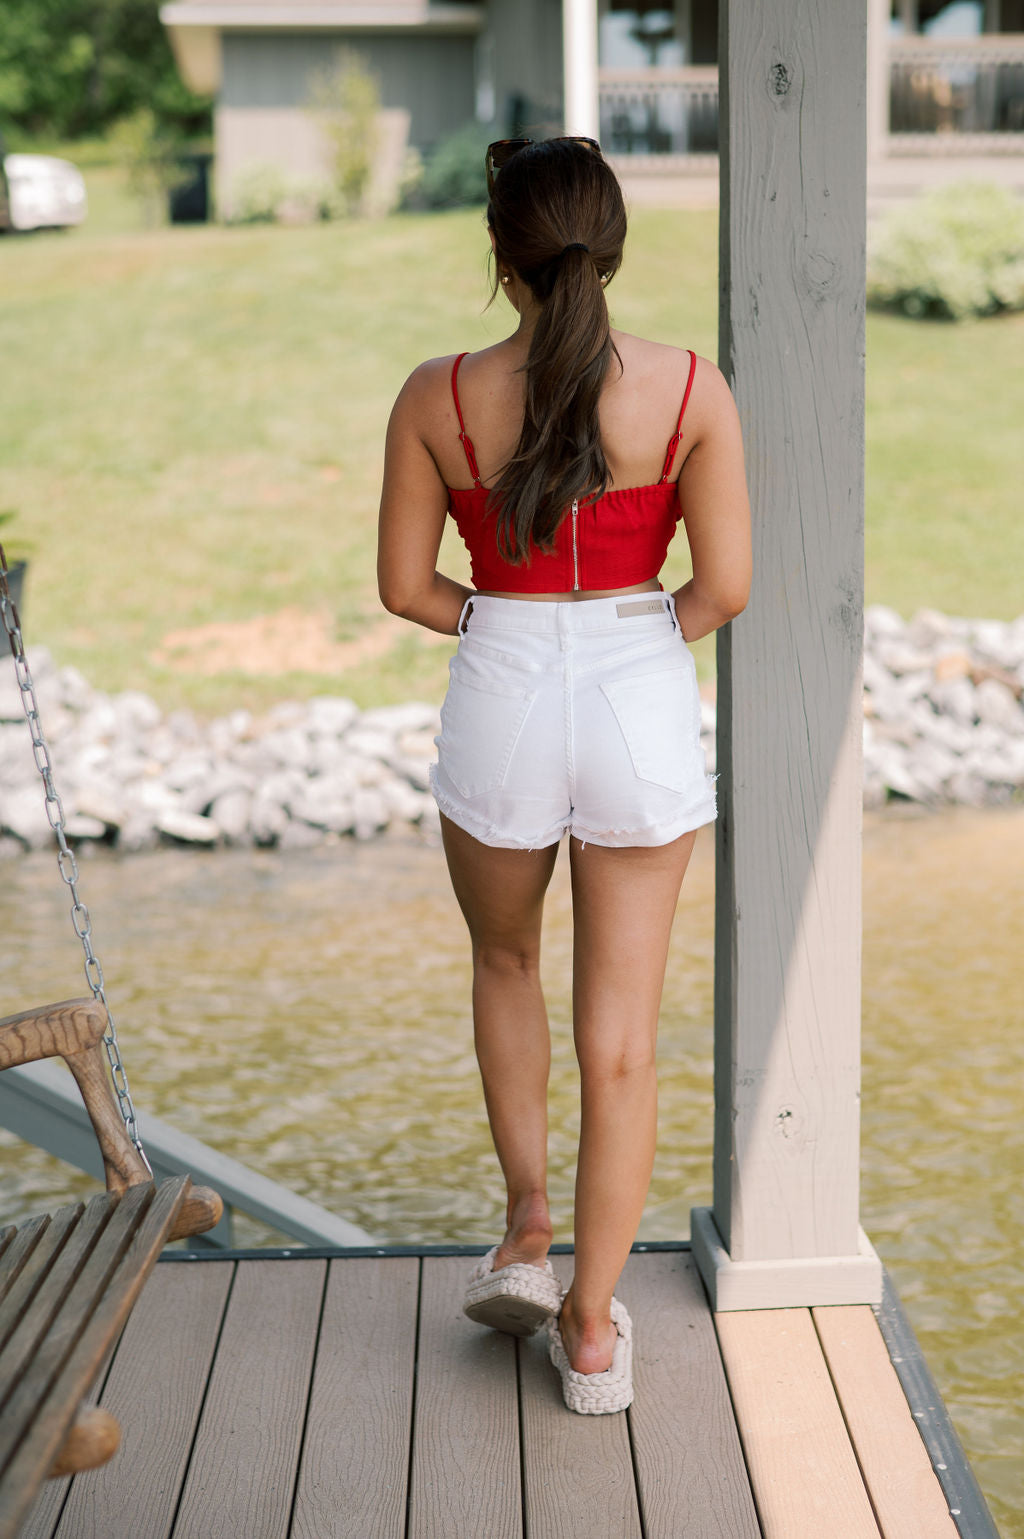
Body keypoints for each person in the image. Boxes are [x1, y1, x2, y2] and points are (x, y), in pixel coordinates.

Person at [377, 136, 751, 1415]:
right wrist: (637, 640)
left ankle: (527, 1230)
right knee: (625, 1044)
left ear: (502, 256)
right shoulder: (691, 387)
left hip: (503, 684)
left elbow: (406, 586)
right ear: (615, 246)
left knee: (504, 962)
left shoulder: (436, 394)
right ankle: (592, 1336)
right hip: (637, 685)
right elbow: (726, 587)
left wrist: (511, 624)